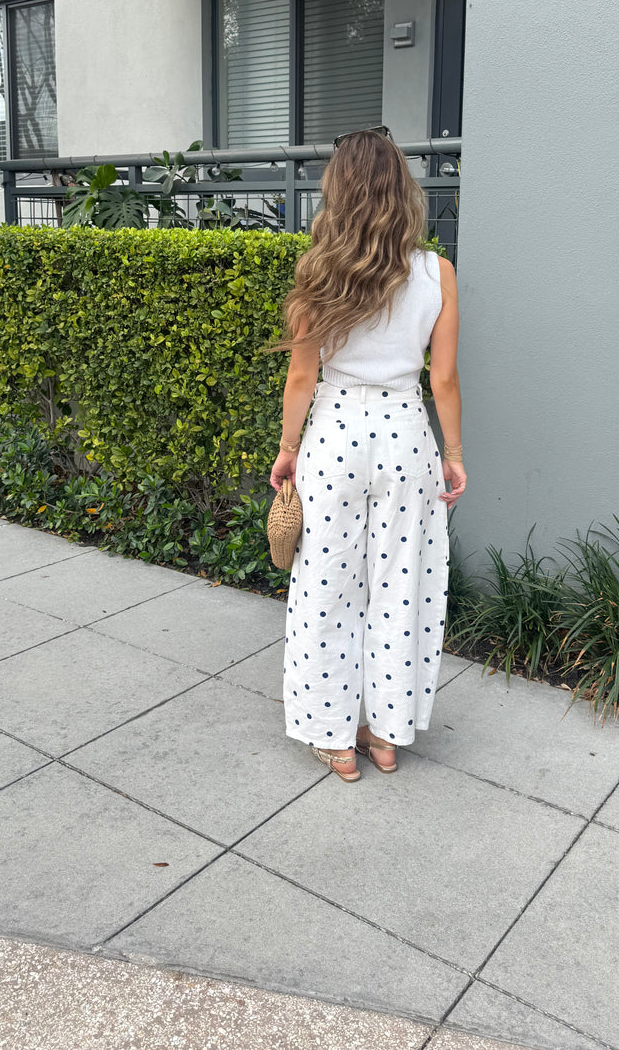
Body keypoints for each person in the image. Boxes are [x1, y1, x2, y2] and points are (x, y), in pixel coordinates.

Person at [269, 129, 466, 783]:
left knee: (327, 588)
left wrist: (287, 448)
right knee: (398, 587)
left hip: (334, 436)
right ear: (400, 190)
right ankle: (384, 734)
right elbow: (443, 379)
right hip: (408, 438)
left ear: (339, 191)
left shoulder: (318, 269)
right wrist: (454, 455)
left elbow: (301, 378)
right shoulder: (437, 273)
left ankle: (333, 737)